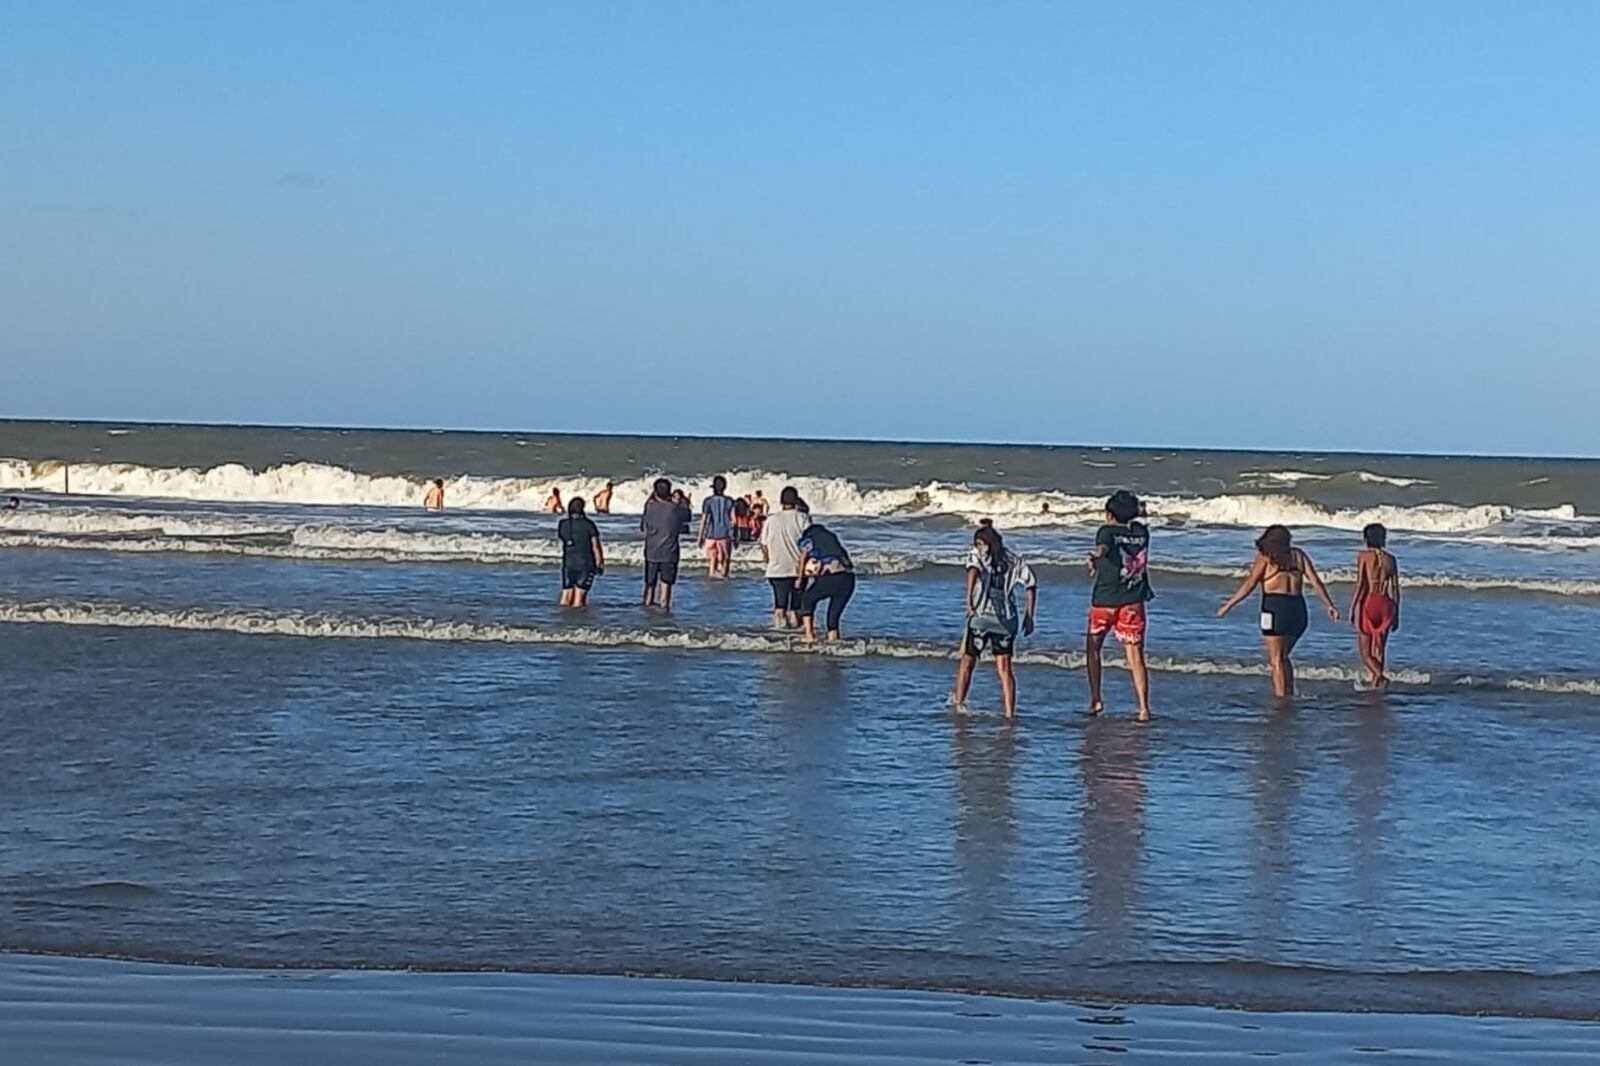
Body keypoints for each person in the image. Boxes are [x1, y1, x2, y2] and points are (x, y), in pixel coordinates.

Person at [1217, 525, 1341, 698]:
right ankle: (1289, 691)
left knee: (1276, 659)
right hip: (1298, 610)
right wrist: (1329, 605)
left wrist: (1229, 604)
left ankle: (1281, 698)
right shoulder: (1298, 556)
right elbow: (1316, 582)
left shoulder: (1265, 558)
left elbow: (1250, 584)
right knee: (1283, 656)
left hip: (1275, 609)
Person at [952, 524, 1037, 719]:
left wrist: (969, 601)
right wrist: (1029, 615)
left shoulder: (979, 554)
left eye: (978, 543)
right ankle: (1009, 713)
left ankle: (959, 703)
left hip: (981, 616)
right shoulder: (1014, 560)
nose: (976, 546)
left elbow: (972, 572)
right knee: (1005, 669)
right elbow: (1031, 584)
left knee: (967, 662)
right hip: (1006, 620)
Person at [1086, 490, 1154, 721]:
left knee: (1093, 648)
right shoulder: (1141, 532)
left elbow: (1103, 548)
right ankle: (1143, 708)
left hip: (1105, 599)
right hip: (1133, 602)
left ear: (1110, 514)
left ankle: (1096, 699)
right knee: (1135, 656)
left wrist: (1096, 557)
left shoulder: (1106, 531)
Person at [1351, 523, 1401, 688]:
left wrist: (1353, 607)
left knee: (1365, 652)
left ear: (1366, 539)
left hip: (1370, 602)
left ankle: (1379, 675)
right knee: (1380, 648)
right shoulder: (1391, 559)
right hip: (1386, 603)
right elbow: (1395, 588)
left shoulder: (1364, 556)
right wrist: (1397, 614)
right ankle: (1376, 682)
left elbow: (1361, 585)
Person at [759, 486, 810, 628]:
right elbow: (809, 543)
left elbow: (763, 544)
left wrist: (769, 559)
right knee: (795, 608)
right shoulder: (802, 518)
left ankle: (778, 635)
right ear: (796, 500)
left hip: (776, 569)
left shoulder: (771, 520)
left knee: (779, 607)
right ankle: (795, 637)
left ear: (781, 501)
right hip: (798, 569)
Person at [796, 521, 855, 643]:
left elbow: (803, 557)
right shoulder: (832, 538)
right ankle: (833, 639)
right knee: (834, 615)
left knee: (807, 599)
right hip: (848, 579)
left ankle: (809, 635)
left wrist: (800, 578)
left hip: (830, 577)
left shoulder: (808, 539)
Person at [641, 478, 686, 610]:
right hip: (669, 553)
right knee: (666, 586)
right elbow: (685, 519)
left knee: (650, 585)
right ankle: (663, 613)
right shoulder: (674, 508)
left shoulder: (649, 506)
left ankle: (647, 609)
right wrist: (680, 502)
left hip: (651, 552)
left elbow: (643, 526)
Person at [557, 497, 605, 607]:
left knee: (566, 593)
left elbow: (563, 538)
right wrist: (600, 563)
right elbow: (596, 546)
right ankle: (578, 622)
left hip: (568, 563)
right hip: (585, 563)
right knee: (580, 596)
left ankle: (562, 620)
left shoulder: (563, 524)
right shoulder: (589, 525)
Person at [698, 475, 737, 579]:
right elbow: (734, 521)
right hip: (725, 533)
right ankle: (724, 577)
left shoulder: (708, 501)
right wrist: (735, 538)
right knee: (726, 560)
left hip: (711, 534)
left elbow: (704, 520)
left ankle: (712, 578)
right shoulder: (729, 501)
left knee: (712, 559)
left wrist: (700, 537)